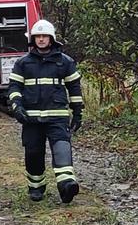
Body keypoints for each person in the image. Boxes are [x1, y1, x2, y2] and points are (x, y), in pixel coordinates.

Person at [7, 19, 84, 203]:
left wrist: (78, 112)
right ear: (33, 40)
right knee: (33, 153)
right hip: (31, 119)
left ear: (51, 39)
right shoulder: (22, 63)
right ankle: (36, 188)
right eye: (38, 36)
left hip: (58, 117)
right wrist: (17, 106)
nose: (41, 39)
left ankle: (66, 186)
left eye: (44, 36)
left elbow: (74, 88)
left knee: (62, 149)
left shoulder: (65, 62)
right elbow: (14, 87)